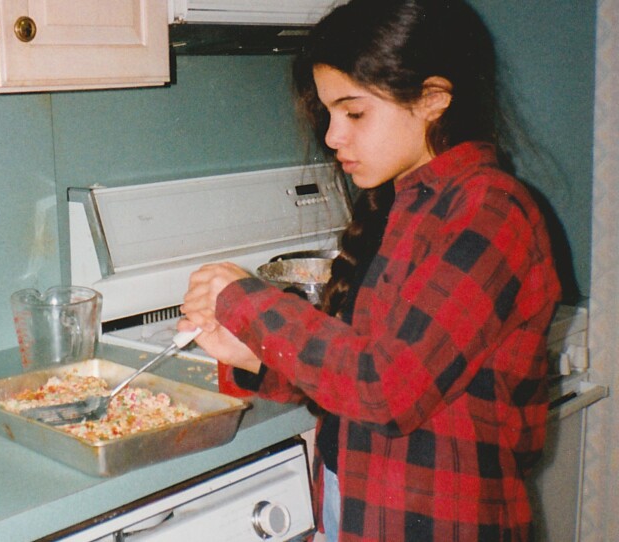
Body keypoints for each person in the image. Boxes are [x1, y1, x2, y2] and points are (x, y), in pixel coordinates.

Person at [178, 0, 562, 541]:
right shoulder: (399, 204)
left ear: (433, 99)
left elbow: (387, 388)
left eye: (353, 112)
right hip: (351, 503)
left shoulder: (492, 210)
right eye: (329, 114)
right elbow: (353, 371)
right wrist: (253, 356)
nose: (333, 136)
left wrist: (247, 301)